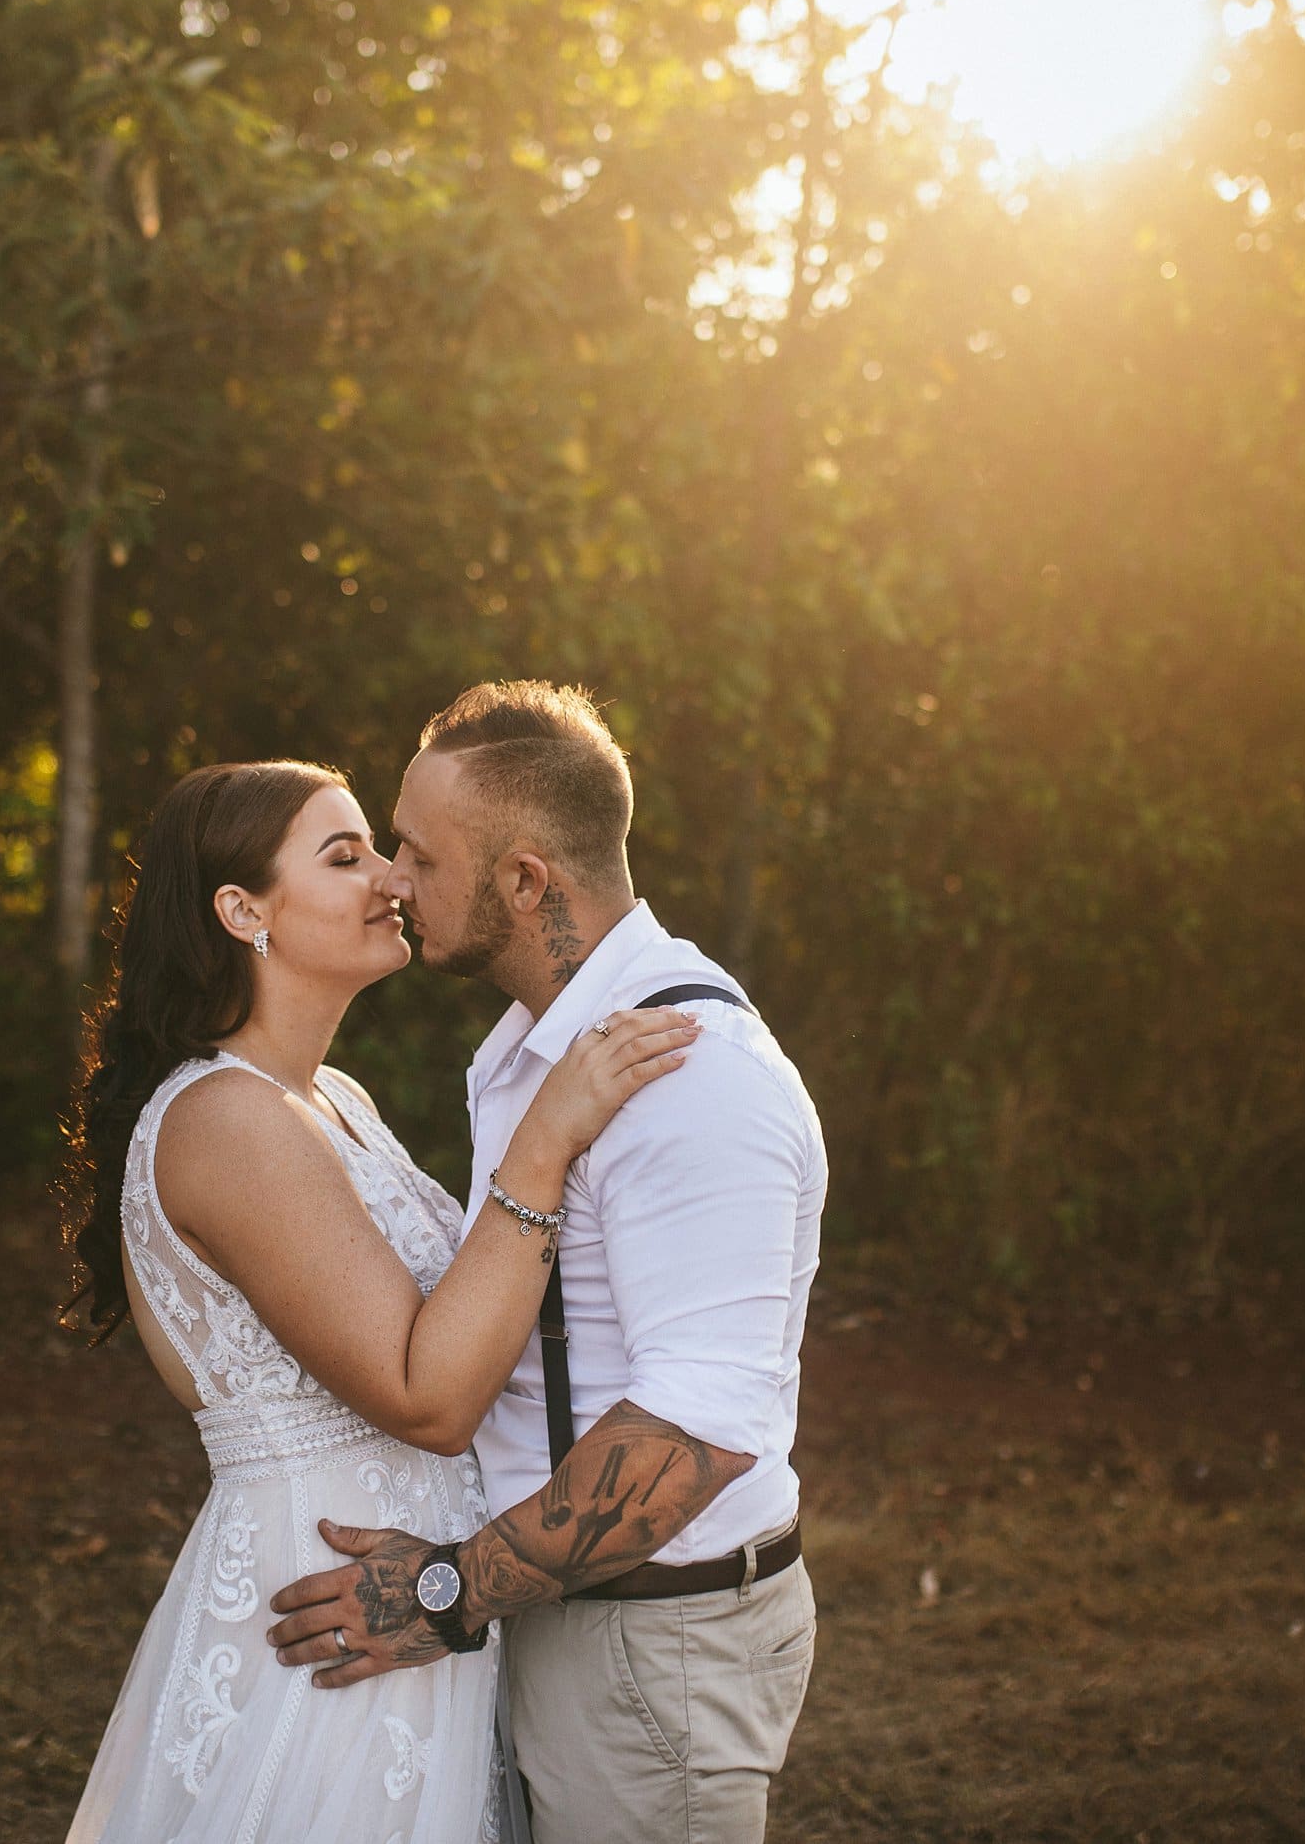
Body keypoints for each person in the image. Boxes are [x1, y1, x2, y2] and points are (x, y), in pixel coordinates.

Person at [59, 756, 704, 1843]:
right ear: (240, 910)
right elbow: (425, 1393)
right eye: (344, 854)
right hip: (329, 1619)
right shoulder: (224, 1118)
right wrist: (547, 1134)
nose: (392, 880)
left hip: (414, 1607)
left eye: (385, 851)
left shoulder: (329, 1100)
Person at [265, 681, 830, 1844]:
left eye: (417, 854)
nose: (392, 880)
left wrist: (447, 1590)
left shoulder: (687, 1073)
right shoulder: (537, 1052)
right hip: (573, 1611)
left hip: (652, 1644)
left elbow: (693, 1432)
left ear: (525, 881)